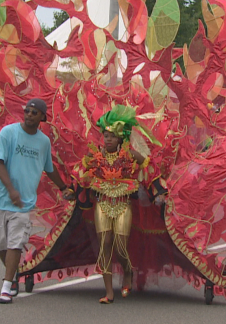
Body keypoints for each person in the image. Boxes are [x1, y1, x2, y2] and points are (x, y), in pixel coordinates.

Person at [0, 98, 72, 304]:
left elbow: (48, 168)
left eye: (34, 113)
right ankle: (14, 273)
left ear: (42, 117)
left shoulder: (43, 141)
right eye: (27, 111)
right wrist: (11, 190)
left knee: (15, 244)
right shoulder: (8, 133)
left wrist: (63, 188)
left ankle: (6, 287)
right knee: (1, 244)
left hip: (24, 203)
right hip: (0, 199)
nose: (29, 115)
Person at [77, 105, 163, 304]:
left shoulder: (131, 156)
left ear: (120, 139)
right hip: (102, 204)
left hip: (124, 204)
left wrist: (157, 190)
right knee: (105, 245)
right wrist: (77, 188)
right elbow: (80, 173)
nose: (108, 139)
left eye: (112, 136)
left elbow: (149, 168)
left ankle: (127, 272)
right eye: (105, 135)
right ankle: (109, 292)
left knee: (121, 247)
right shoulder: (94, 156)